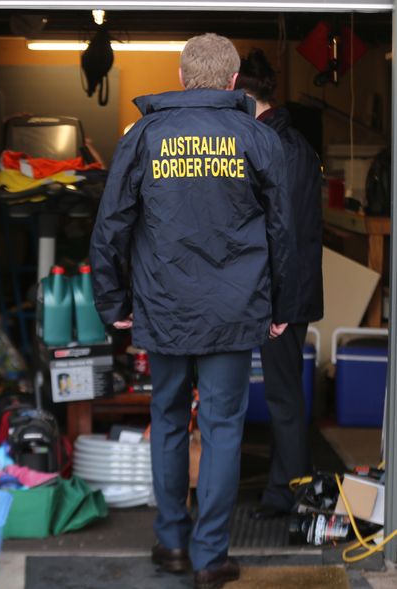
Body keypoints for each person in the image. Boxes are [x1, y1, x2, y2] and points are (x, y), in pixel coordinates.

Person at [90, 33, 296, 589]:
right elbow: (283, 229)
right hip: (234, 309)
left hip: (164, 306)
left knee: (169, 420)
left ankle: (172, 543)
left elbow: (110, 226)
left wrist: (114, 303)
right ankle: (210, 559)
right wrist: (282, 304)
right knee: (224, 427)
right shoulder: (256, 137)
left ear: (182, 78)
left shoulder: (144, 136)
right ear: (233, 82)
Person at [235, 49, 324, 519]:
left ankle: (296, 495)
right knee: (281, 393)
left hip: (285, 292)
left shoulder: (282, 149)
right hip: (280, 288)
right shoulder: (276, 141)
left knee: (283, 396)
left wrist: (276, 305)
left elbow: (284, 234)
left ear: (247, 98)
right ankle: (282, 491)